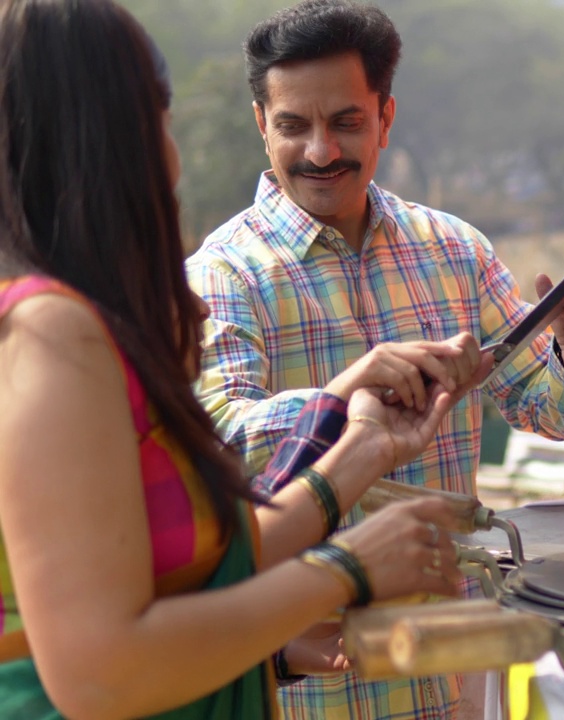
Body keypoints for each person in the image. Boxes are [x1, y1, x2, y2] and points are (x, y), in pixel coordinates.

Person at [0, 0, 492, 717]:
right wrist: (346, 570)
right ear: (109, 138)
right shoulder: (55, 335)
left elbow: (202, 564)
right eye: (157, 115)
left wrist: (359, 449)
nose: (170, 154)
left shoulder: (75, 321)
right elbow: (98, 673)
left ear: (385, 117)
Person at [184, 0, 564, 716]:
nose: (321, 151)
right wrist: (343, 395)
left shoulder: (454, 249)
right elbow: (218, 440)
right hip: (307, 672)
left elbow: (550, 412)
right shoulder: (222, 274)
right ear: (262, 125)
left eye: (346, 122)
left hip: (449, 664)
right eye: (294, 125)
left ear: (386, 117)